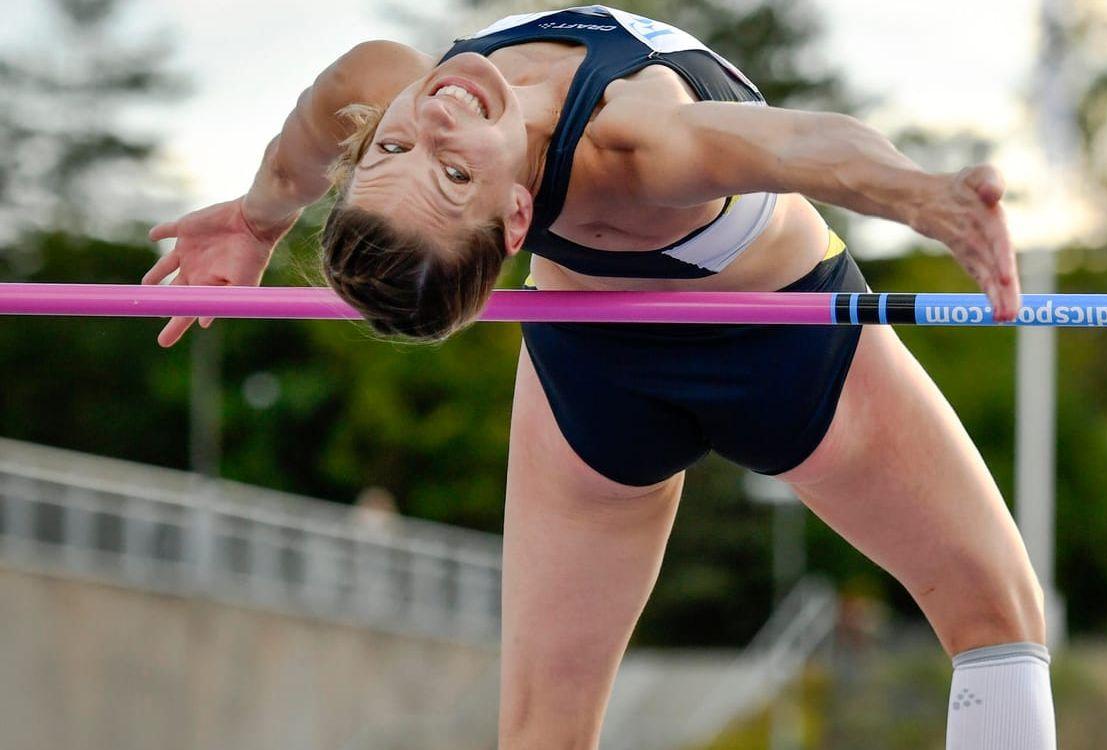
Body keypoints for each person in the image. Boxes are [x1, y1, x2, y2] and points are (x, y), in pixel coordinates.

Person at [144, 6, 1053, 748]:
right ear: (515, 216)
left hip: (772, 345)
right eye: (453, 172)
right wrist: (915, 193)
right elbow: (807, 146)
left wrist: (260, 225)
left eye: (390, 153)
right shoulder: (636, 146)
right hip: (613, 375)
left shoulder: (384, 84)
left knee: (994, 617)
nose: (431, 121)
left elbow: (309, 134)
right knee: (543, 733)